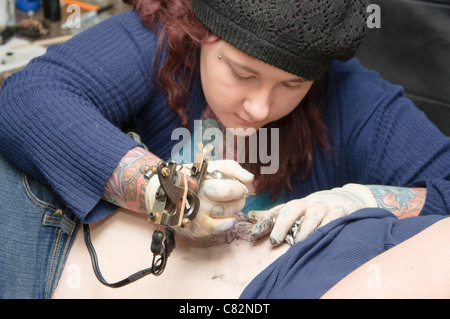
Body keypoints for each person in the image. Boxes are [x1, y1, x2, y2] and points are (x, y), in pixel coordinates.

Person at [0, 0, 449, 299]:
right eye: (241, 73)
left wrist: (359, 200)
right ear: (199, 35)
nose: (259, 108)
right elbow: (28, 98)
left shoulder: (351, 95)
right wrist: (167, 194)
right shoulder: (161, 38)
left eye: (292, 85)